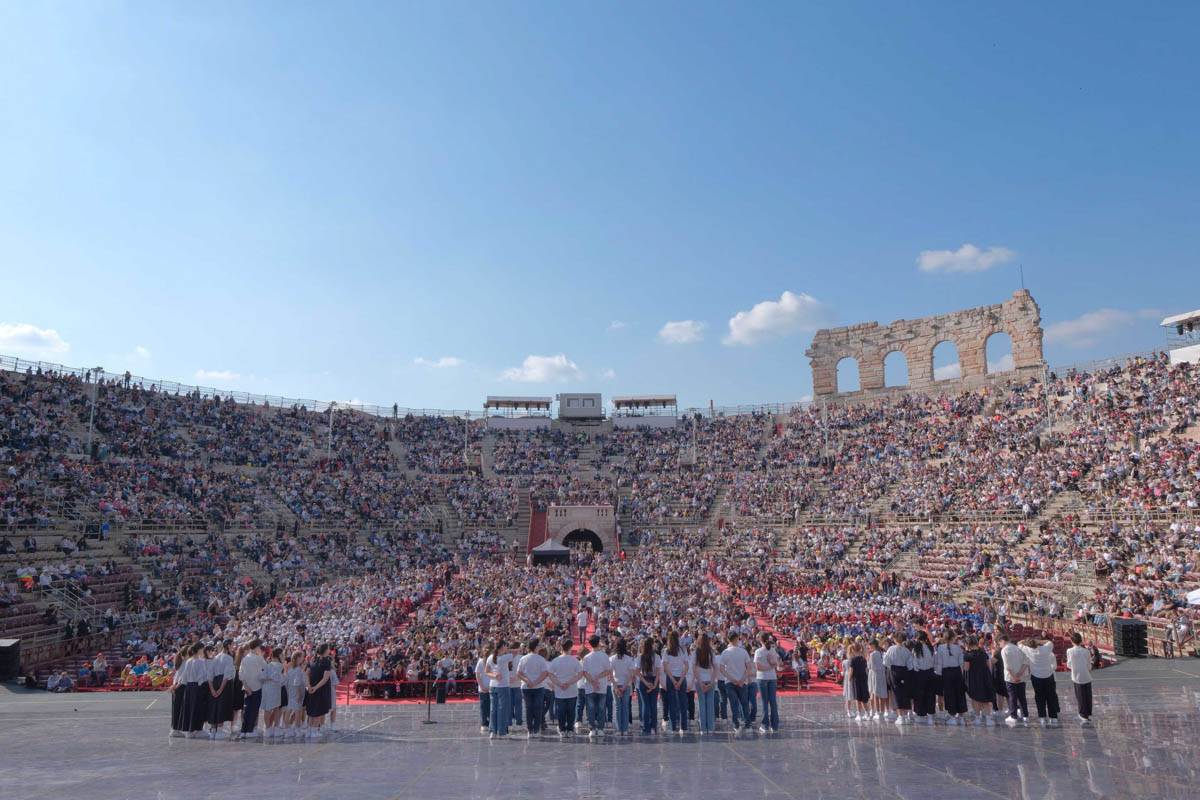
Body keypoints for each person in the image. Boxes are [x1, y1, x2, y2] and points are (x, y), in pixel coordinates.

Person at [548, 636, 583, 739]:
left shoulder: (555, 660)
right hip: (571, 689)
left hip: (560, 690)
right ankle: (570, 730)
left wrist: (558, 683)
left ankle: (562, 729)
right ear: (570, 647)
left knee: (561, 711)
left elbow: (550, 674)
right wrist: (569, 682)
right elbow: (580, 674)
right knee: (571, 711)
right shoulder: (574, 660)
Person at [1021, 636, 1060, 727]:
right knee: (1051, 696)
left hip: (1036, 677)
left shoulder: (1027, 650)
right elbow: (1049, 641)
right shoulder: (1046, 649)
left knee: (1039, 697)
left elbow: (1019, 643)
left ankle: (1042, 717)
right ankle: (1053, 717)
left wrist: (1028, 641)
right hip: (1048, 675)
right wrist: (1038, 641)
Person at [516, 638, 549, 739]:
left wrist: (527, 681)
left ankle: (530, 730)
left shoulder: (523, 658)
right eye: (538, 645)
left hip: (527, 687)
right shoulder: (541, 659)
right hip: (538, 687)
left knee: (528, 708)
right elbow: (544, 674)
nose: (540, 647)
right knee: (538, 708)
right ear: (535, 647)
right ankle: (536, 730)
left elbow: (519, 673)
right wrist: (535, 682)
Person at [720, 632, 753, 734]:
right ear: (735, 639)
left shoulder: (725, 652)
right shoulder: (743, 652)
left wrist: (732, 679)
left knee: (734, 704)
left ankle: (736, 725)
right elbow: (749, 667)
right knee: (744, 704)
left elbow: (721, 669)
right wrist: (742, 679)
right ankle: (748, 726)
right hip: (742, 682)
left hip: (730, 682)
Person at [581, 635, 613, 738]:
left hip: (590, 686)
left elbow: (584, 672)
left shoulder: (586, 657)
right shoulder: (604, 656)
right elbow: (608, 670)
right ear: (598, 642)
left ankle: (592, 729)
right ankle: (600, 729)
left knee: (591, 708)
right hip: (601, 686)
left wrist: (593, 681)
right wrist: (597, 679)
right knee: (601, 708)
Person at [962, 635, 996, 726]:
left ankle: (977, 718)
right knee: (986, 698)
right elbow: (989, 666)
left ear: (967, 644)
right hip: (985, 677)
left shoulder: (967, 655)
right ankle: (988, 719)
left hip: (974, 678)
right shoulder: (983, 652)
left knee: (975, 698)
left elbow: (966, 668)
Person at [936, 630, 967, 726]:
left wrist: (939, 675)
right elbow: (961, 663)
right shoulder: (958, 648)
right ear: (953, 638)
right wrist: (961, 674)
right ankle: (961, 717)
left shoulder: (940, 648)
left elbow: (939, 663)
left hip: (946, 672)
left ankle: (952, 716)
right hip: (957, 671)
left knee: (949, 694)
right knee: (960, 693)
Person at [238, 639, 267, 740]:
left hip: (247, 687)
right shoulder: (258, 658)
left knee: (247, 709)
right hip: (257, 687)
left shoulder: (245, 658)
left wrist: (245, 686)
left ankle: (244, 730)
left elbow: (241, 674)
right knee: (253, 710)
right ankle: (250, 730)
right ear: (257, 647)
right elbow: (266, 668)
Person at [662, 631, 690, 734]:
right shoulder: (682, 650)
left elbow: (665, 667)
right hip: (681, 678)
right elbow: (687, 666)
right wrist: (681, 679)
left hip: (671, 678)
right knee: (683, 703)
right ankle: (684, 727)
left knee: (672, 703)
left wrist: (673, 680)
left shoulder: (666, 651)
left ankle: (673, 727)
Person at [304, 644, 334, 739]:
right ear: (325, 650)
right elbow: (325, 678)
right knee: (318, 710)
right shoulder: (326, 661)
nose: (329, 650)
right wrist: (315, 687)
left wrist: (309, 686)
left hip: (311, 688)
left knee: (311, 710)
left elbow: (306, 674)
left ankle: (309, 730)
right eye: (328, 649)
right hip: (320, 689)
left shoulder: (312, 660)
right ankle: (314, 731)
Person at [484, 640, 513, 739]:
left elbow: (487, 671)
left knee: (493, 709)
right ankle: (502, 732)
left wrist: (494, 675)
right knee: (502, 709)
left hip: (493, 685)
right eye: (506, 645)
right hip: (503, 686)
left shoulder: (490, 657)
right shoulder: (505, 657)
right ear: (503, 646)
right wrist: (508, 649)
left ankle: (493, 731)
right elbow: (518, 651)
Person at [691, 633, 718, 734]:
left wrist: (700, 682)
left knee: (701, 704)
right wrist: (712, 681)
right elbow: (716, 668)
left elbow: (694, 668)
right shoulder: (711, 652)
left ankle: (703, 728)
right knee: (710, 704)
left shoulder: (696, 652)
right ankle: (710, 728)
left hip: (700, 681)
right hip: (710, 680)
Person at [207, 641, 235, 739]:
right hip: (224, 683)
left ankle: (213, 730)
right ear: (228, 646)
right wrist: (220, 689)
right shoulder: (228, 658)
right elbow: (226, 676)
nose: (233, 646)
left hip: (214, 681)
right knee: (222, 705)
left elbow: (209, 675)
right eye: (232, 645)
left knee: (214, 705)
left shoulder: (215, 657)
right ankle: (219, 730)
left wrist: (212, 689)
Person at [753, 632, 781, 733]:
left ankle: (765, 725)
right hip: (772, 677)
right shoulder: (772, 650)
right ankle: (775, 725)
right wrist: (770, 666)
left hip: (762, 678)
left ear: (760, 640)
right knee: (773, 701)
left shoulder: (758, 651)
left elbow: (758, 667)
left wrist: (768, 667)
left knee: (765, 702)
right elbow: (776, 664)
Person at [1000, 635, 1030, 726]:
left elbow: (1007, 666)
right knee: (1022, 697)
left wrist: (1014, 677)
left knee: (1012, 697)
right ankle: (1025, 715)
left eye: (999, 643)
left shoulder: (1004, 650)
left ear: (1002, 641)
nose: (999, 645)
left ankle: (1013, 716)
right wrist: (1020, 674)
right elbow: (1026, 662)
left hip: (1011, 678)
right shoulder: (1018, 648)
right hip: (1021, 676)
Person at [610, 638, 637, 736]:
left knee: (618, 707)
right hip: (626, 685)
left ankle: (618, 729)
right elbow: (631, 675)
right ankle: (625, 729)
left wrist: (616, 687)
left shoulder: (612, 658)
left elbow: (610, 675)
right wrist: (625, 686)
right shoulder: (629, 659)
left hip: (616, 684)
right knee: (625, 707)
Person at [884, 635, 913, 725]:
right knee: (904, 692)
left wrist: (892, 668)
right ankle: (905, 715)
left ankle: (900, 716)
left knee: (896, 693)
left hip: (894, 671)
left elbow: (886, 662)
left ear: (895, 639)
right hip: (904, 671)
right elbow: (910, 664)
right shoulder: (907, 650)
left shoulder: (891, 649)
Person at [1065, 632, 1093, 725]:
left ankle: (1083, 714)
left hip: (1077, 675)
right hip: (1086, 675)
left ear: (1072, 641)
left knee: (1080, 696)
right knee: (1088, 695)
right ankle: (1088, 712)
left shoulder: (1069, 651)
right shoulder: (1086, 651)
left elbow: (1069, 664)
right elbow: (1089, 665)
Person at [635, 637, 661, 736]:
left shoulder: (640, 657)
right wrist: (654, 684)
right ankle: (653, 727)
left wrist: (645, 683)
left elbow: (637, 672)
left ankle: (646, 727)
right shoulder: (657, 657)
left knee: (645, 704)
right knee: (653, 704)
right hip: (654, 680)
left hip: (644, 681)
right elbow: (658, 672)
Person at [910, 635, 935, 725]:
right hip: (930, 672)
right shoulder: (930, 648)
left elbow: (915, 663)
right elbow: (933, 661)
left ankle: (921, 713)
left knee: (920, 694)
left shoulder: (916, 649)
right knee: (930, 694)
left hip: (920, 673)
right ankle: (931, 714)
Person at [261, 647, 284, 739]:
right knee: (276, 708)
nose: (283, 656)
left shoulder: (268, 664)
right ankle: (276, 728)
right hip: (274, 688)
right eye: (282, 654)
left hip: (266, 687)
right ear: (278, 655)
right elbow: (277, 678)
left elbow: (262, 676)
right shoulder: (279, 665)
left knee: (268, 708)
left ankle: (267, 729)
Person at [283, 651, 307, 739]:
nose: (303, 658)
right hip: (296, 691)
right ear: (298, 658)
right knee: (297, 711)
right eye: (302, 657)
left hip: (291, 691)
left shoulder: (291, 669)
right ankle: (297, 730)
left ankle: (287, 729)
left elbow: (287, 682)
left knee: (289, 709)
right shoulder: (297, 669)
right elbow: (296, 682)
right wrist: (299, 693)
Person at [867, 638, 888, 722]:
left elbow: (870, 666)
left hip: (874, 674)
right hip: (882, 674)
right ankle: (882, 712)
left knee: (875, 693)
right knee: (882, 692)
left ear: (872, 645)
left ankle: (877, 712)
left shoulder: (872, 654)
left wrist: (868, 658)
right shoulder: (881, 652)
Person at [848, 641, 870, 721]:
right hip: (864, 678)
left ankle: (859, 715)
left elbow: (851, 671)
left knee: (858, 698)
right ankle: (867, 713)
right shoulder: (863, 658)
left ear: (853, 650)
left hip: (856, 679)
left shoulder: (853, 660)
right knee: (864, 697)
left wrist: (849, 679)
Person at [475, 647, 492, 734]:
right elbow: (477, 675)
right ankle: (484, 723)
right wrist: (482, 686)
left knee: (487, 706)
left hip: (489, 687)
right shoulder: (481, 661)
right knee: (484, 706)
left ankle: (487, 723)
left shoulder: (491, 661)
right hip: (484, 688)